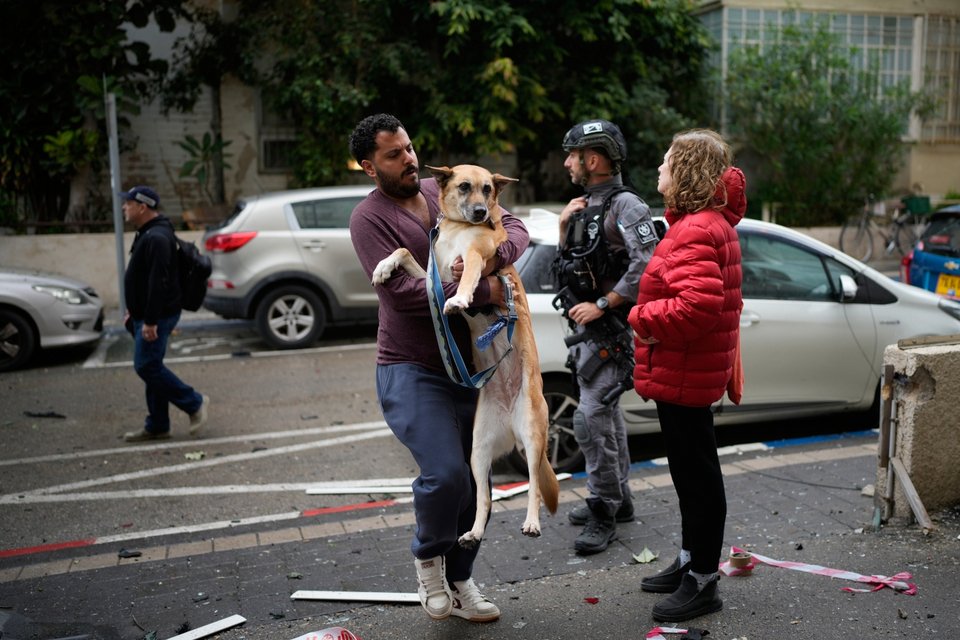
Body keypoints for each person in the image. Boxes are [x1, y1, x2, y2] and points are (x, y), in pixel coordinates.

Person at [348, 113, 528, 623]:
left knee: (476, 480)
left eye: (408, 148)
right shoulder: (369, 218)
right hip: (410, 366)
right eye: (393, 154)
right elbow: (403, 297)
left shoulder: (444, 187)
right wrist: (481, 291)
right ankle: (429, 562)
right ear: (368, 166)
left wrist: (494, 261)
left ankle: (461, 577)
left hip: (468, 367)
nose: (409, 159)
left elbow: (511, 224)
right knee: (446, 474)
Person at [627, 129, 746, 622]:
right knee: (691, 472)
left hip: (685, 373)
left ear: (687, 172)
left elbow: (697, 305)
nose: (659, 169)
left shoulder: (696, 227)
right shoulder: (703, 222)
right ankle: (691, 560)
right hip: (688, 371)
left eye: (667, 162)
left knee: (696, 477)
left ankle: (702, 581)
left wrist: (641, 320)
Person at [555, 119, 657, 555]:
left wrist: (605, 302)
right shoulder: (582, 205)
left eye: (573, 155)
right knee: (607, 417)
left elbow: (648, 264)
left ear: (592, 159)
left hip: (611, 331)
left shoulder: (627, 206)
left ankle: (604, 509)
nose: (566, 163)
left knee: (589, 418)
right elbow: (565, 268)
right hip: (586, 332)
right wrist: (562, 227)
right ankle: (621, 499)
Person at [120, 185, 209, 443]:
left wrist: (149, 320)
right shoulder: (149, 232)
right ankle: (158, 424)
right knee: (153, 367)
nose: (124, 207)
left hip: (157, 316)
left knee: (146, 365)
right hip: (147, 314)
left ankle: (194, 403)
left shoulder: (157, 237)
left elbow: (159, 282)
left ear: (142, 206)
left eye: (128, 203)